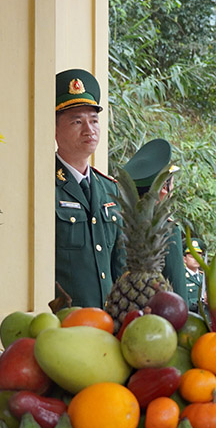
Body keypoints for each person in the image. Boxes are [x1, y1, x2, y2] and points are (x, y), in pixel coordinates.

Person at [55, 69, 124, 308]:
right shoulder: (44, 187)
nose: (89, 129)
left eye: (94, 120)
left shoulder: (110, 190)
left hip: (107, 323)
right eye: (77, 121)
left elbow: (121, 266)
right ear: (53, 128)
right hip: (63, 325)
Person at [123, 138, 188, 299]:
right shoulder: (167, 229)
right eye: (171, 184)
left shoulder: (120, 223)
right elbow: (177, 287)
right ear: (164, 189)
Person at [183, 237, 206, 312]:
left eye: (198, 256)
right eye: (192, 257)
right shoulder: (181, 278)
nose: (196, 259)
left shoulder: (204, 277)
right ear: (185, 259)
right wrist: (199, 301)